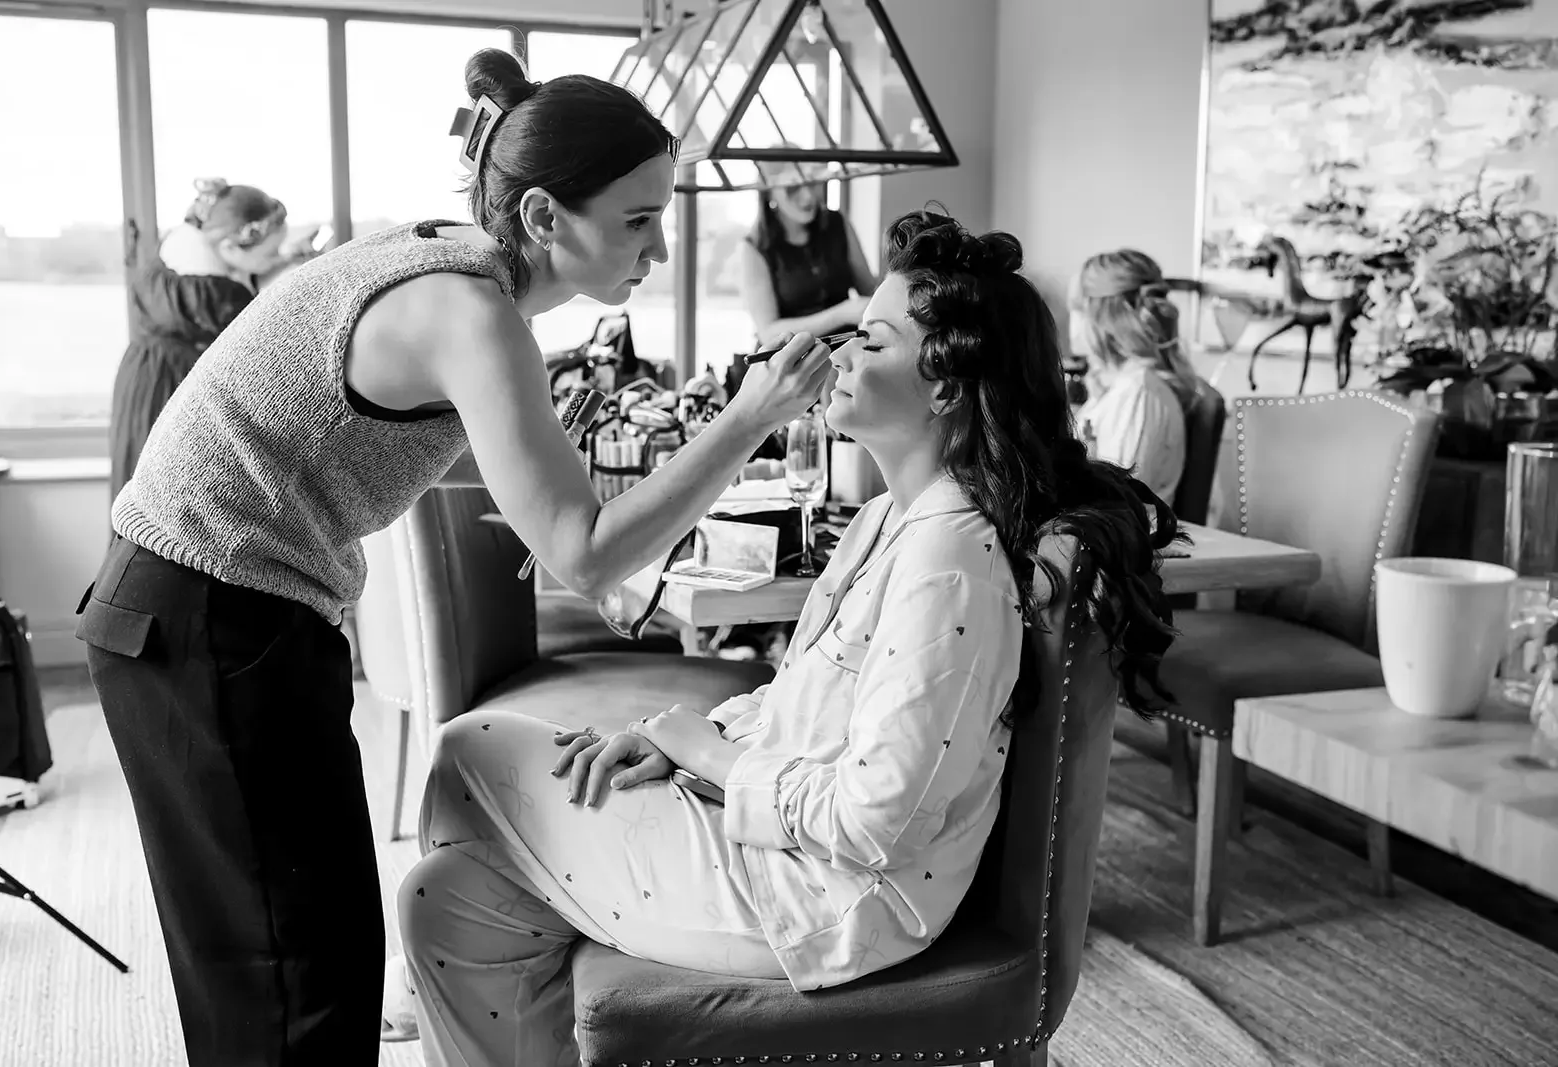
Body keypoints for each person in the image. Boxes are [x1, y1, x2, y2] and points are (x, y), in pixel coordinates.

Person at [74, 47, 832, 1067]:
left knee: (299, 961)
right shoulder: (474, 315)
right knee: (291, 979)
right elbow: (582, 553)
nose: (658, 249)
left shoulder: (446, 259)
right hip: (208, 614)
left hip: (199, 605)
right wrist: (747, 418)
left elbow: (527, 500)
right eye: (638, 220)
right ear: (542, 216)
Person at [392, 208, 1178, 1066]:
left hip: (826, 899)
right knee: (446, 897)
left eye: (872, 341)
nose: (839, 355)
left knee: (468, 748)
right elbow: (799, 695)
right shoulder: (884, 519)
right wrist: (686, 739)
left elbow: (878, 822)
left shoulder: (950, 561)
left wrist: (712, 757)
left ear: (947, 387)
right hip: (778, 847)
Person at [108, 178, 314, 501]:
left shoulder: (182, 249)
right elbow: (252, 336)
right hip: (173, 385)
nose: (275, 257)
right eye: (271, 251)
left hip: (144, 371)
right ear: (231, 246)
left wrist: (280, 259)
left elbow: (247, 264)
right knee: (172, 494)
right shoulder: (214, 292)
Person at [1070, 249, 1202, 506]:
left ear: (1100, 316)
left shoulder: (1139, 394)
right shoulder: (1118, 389)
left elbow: (1116, 504)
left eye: (1075, 308)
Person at [737, 159, 879, 349]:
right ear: (769, 192)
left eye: (812, 183)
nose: (808, 196)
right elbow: (768, 332)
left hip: (846, 353)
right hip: (793, 359)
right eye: (793, 187)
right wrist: (841, 314)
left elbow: (869, 289)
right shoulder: (754, 246)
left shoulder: (837, 223)